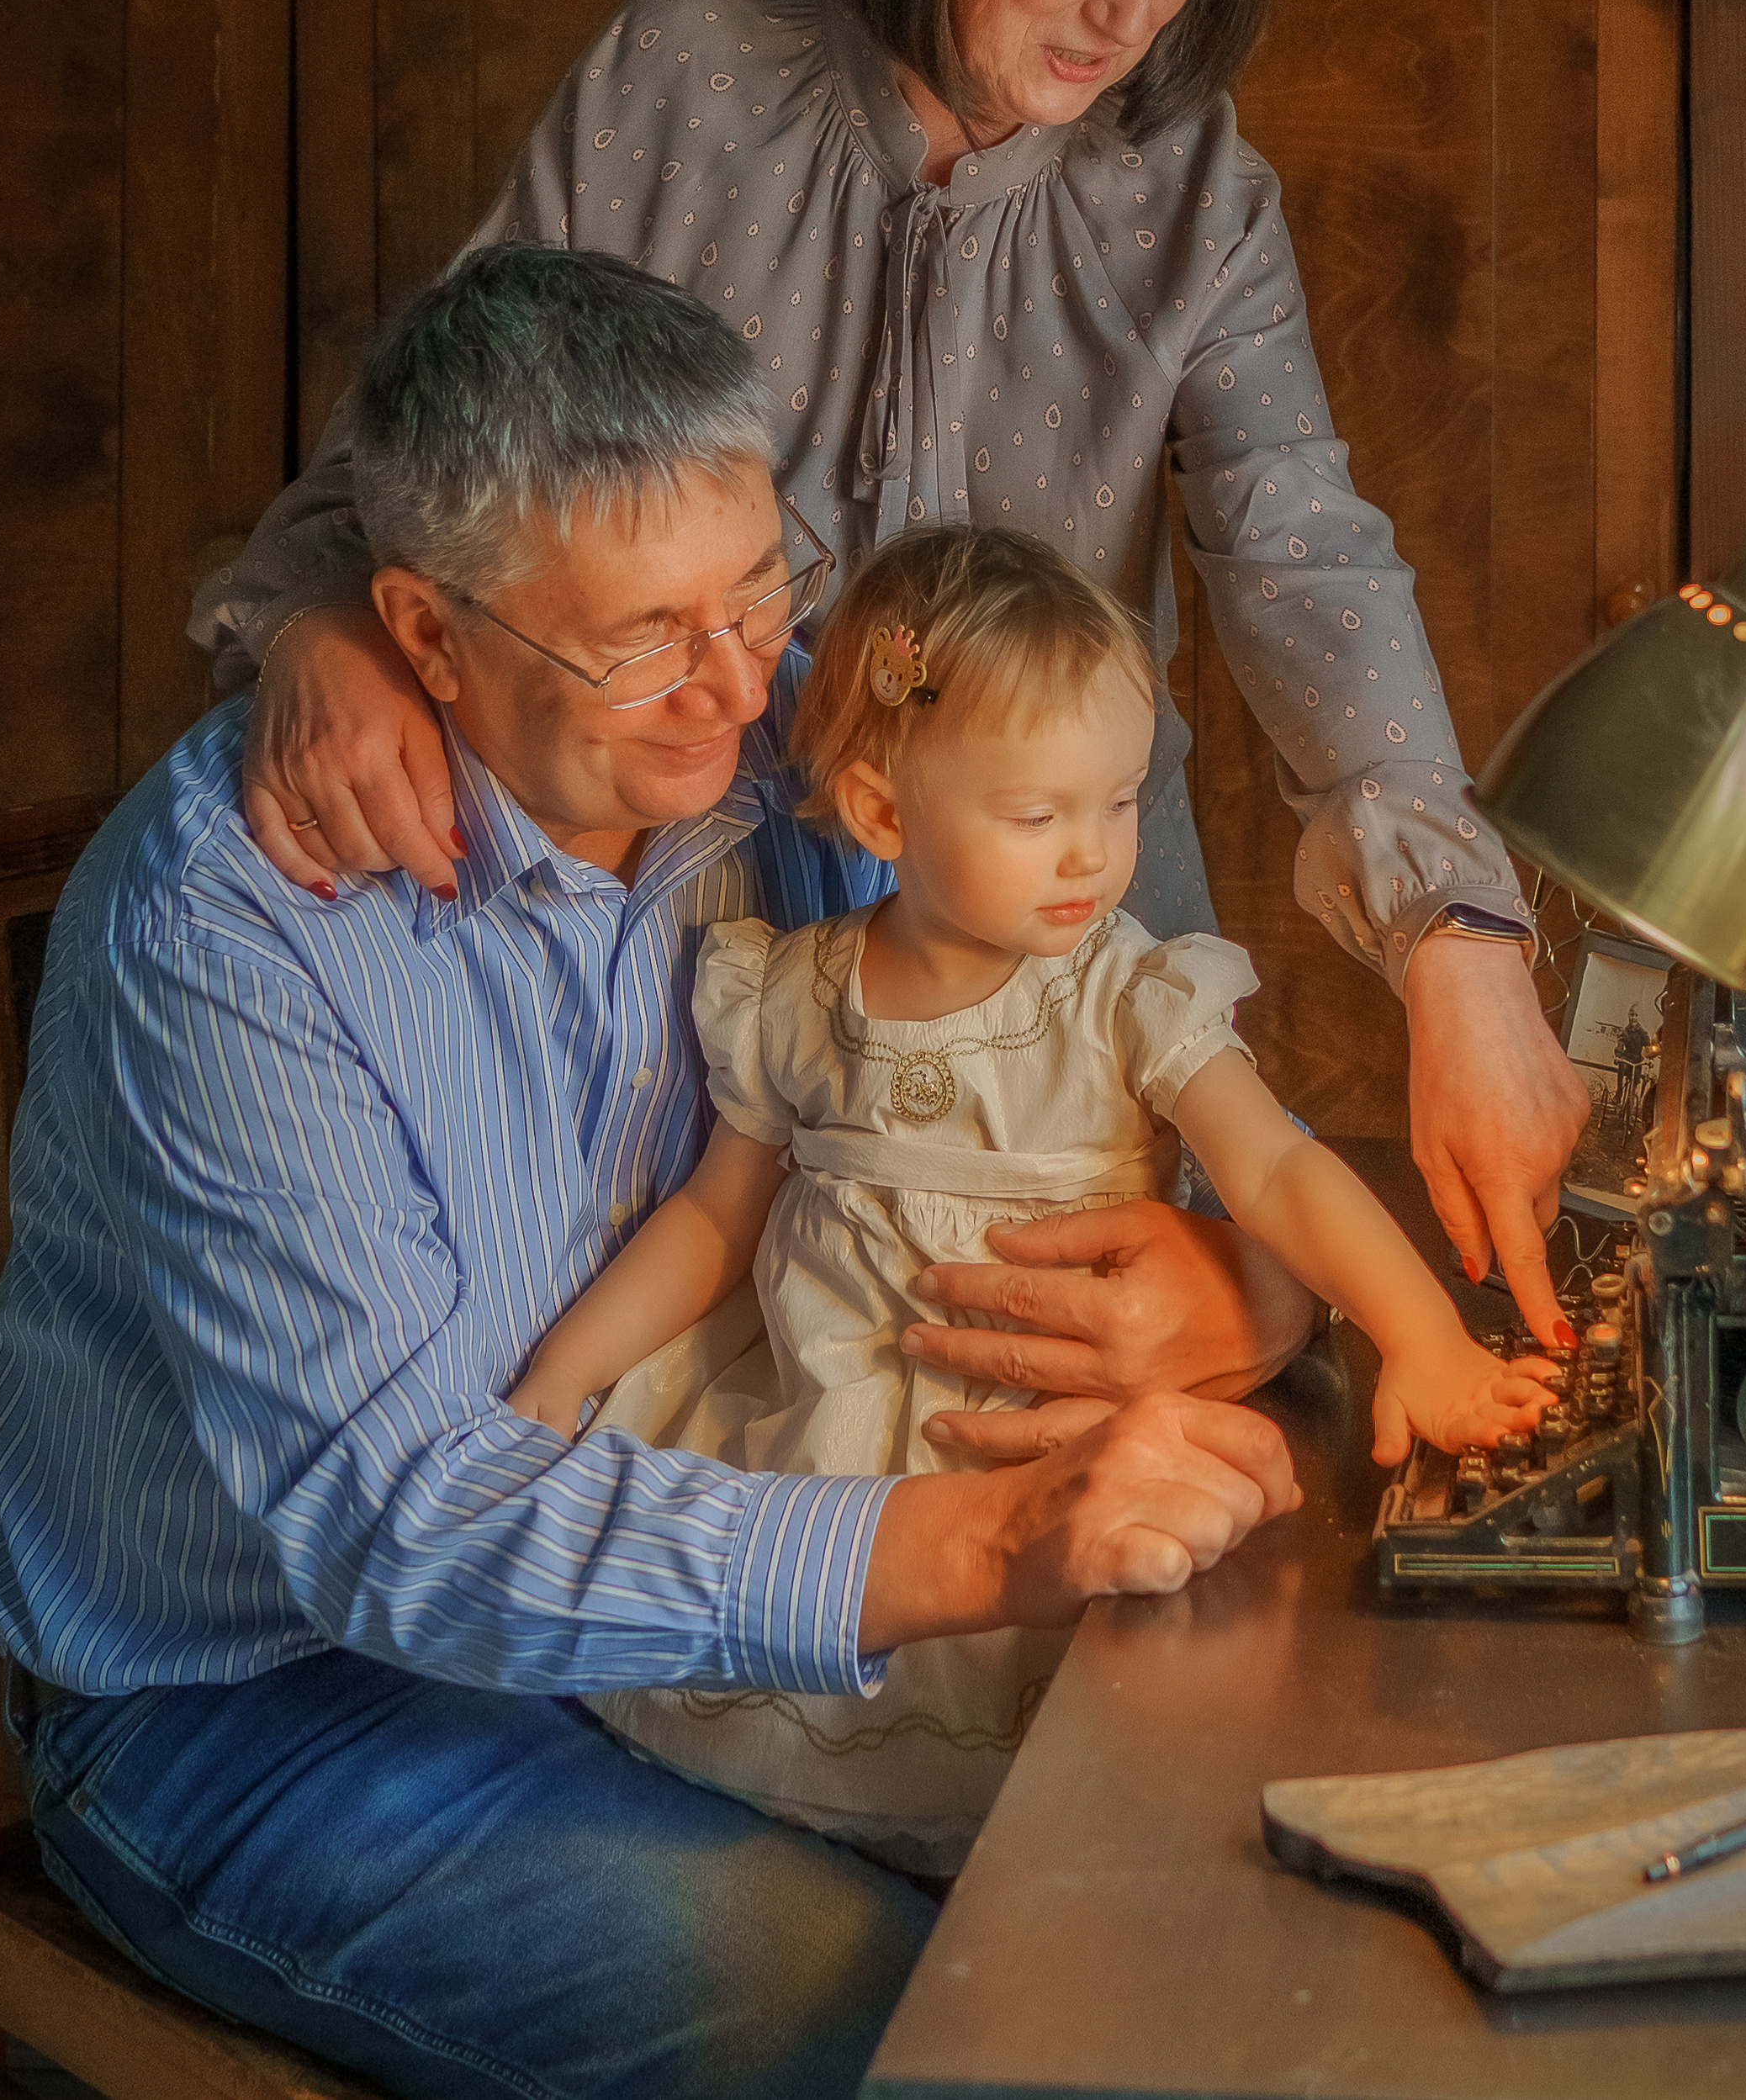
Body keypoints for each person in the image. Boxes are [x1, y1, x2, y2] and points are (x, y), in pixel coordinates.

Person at [0, 248, 1299, 2100]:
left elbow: (1104, 1046)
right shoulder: (231, 925)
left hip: (709, 1538)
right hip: (269, 1701)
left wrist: (1244, 1280)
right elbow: (396, 1523)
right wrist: (980, 1543)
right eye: (640, 637)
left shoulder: (811, 739)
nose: (737, 684)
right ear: (427, 639)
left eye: (760, 587)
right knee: (927, 2035)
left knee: (1205, 1907)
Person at [197, 0, 1590, 1354]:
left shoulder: (1198, 194)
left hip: (1052, 990)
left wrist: (1455, 941)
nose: (1125, 9)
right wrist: (319, 624)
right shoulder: (686, 67)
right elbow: (452, 432)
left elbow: (1302, 553)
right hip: (699, 981)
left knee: (1172, 1368)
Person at [505, 524, 1559, 1875]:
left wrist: (1427, 1340)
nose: (1093, 858)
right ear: (885, 815)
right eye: (1039, 816)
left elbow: (1280, 1173)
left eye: (1118, 803)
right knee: (797, 1813)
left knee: (1079, 1809)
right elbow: (714, 1222)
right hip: (843, 1475)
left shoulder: (1124, 993)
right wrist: (561, 1376)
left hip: (1060, 1474)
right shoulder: (796, 995)